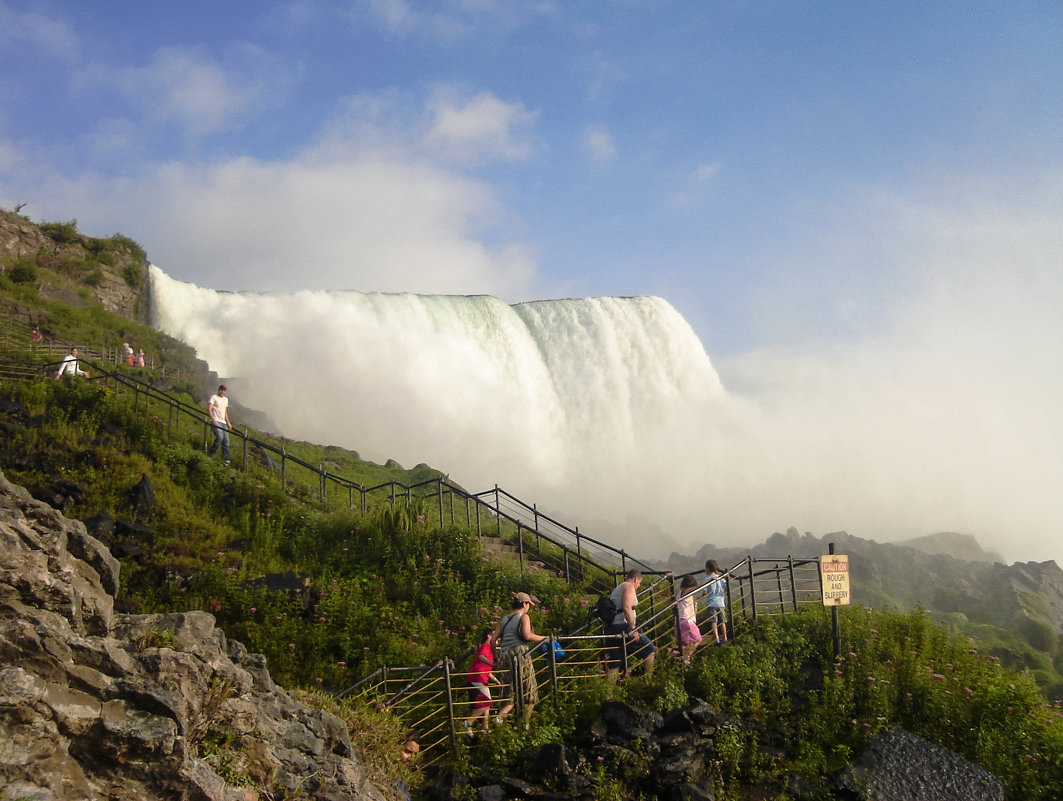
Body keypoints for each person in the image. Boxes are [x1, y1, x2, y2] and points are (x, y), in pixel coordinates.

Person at [490, 592, 545, 727]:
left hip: (505, 654)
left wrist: (495, 659)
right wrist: (545, 639)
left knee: (510, 689)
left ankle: (499, 718)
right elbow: (527, 635)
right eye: (528, 604)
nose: (529, 607)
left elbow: (492, 640)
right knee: (529, 689)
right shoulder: (524, 617)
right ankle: (525, 725)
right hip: (520, 653)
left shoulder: (503, 619)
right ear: (524, 604)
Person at [605, 569, 656, 680]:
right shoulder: (629, 587)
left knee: (616, 663)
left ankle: (608, 695)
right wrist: (633, 629)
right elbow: (626, 607)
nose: (639, 585)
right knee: (650, 650)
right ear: (635, 579)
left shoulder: (619, 587)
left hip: (612, 627)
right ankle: (648, 682)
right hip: (623, 627)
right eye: (639, 582)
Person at [465, 630, 500, 735]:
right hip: (477, 678)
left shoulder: (489, 648)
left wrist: (496, 680)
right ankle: (468, 723)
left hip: (481, 678)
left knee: (487, 704)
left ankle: (485, 727)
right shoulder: (486, 646)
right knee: (486, 703)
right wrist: (492, 664)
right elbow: (481, 657)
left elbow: (486, 670)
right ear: (489, 636)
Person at [676, 573, 703, 662]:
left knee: (685, 643)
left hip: (678, 621)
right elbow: (695, 588)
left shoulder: (679, 593)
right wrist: (709, 581)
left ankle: (682, 657)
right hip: (686, 621)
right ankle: (686, 658)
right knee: (697, 639)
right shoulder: (686, 592)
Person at [702, 559, 729, 644]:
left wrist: (702, 595)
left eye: (705, 568)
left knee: (713, 621)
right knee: (722, 621)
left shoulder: (707, 579)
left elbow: (705, 592)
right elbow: (726, 587)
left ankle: (716, 638)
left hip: (711, 603)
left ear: (708, 569)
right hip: (721, 603)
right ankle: (725, 638)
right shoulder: (720, 578)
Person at [206, 384, 232, 464]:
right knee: (220, 437)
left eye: (224, 390)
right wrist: (213, 419)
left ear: (225, 391)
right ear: (219, 389)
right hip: (216, 421)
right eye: (221, 389)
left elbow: (225, 412)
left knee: (226, 441)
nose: (222, 391)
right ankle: (210, 455)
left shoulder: (226, 400)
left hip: (223, 422)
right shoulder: (214, 397)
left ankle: (226, 459)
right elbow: (209, 409)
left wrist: (228, 422)